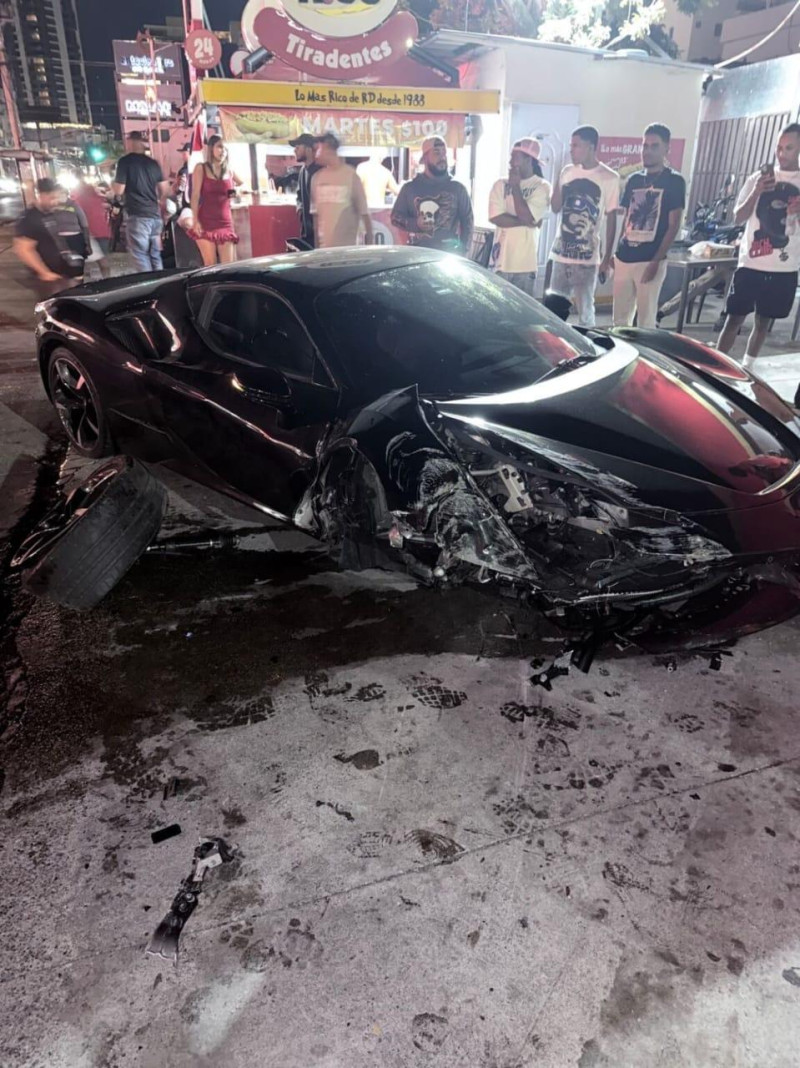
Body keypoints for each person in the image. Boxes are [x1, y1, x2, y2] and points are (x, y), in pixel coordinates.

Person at [717, 123, 800, 372]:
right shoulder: (758, 178)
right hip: (751, 262)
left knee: (764, 322)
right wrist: (756, 191)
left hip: (784, 265)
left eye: (789, 148)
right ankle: (715, 368)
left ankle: (748, 367)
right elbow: (737, 217)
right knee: (734, 318)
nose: (782, 154)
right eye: (779, 147)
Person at [612, 123, 686, 329]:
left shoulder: (674, 181)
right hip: (625, 255)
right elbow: (627, 217)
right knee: (619, 319)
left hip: (650, 258)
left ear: (666, 149)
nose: (647, 151)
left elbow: (674, 225)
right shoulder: (634, 180)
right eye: (645, 145)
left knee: (645, 320)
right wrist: (616, 251)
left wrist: (656, 261)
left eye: (654, 146)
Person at [548, 126, 619, 327]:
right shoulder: (567, 172)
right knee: (554, 309)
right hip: (561, 254)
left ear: (591, 147)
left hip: (586, 258)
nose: (571, 150)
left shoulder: (609, 177)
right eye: (571, 145)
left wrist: (606, 258)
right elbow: (555, 207)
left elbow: (611, 218)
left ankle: (587, 343)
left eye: (576, 145)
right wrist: (558, 177)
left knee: (585, 311)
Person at [488, 138, 551, 296]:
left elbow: (527, 216)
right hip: (500, 262)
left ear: (529, 160)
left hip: (525, 265)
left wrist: (516, 187)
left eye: (515, 157)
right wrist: (527, 222)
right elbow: (496, 217)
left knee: (523, 310)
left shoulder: (542, 186)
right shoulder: (500, 184)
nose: (510, 162)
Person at [391, 136, 473, 253]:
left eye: (444, 153)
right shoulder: (409, 188)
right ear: (425, 158)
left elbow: (468, 221)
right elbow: (395, 218)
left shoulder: (458, 189)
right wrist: (416, 223)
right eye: (437, 152)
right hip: (417, 255)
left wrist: (464, 251)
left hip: (448, 256)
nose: (442, 157)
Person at [13, 178, 90, 299]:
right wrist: (44, 273)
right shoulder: (29, 218)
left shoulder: (48, 212)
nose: (56, 202)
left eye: (57, 197)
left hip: (60, 274)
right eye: (52, 198)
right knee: (54, 306)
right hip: (48, 279)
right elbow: (24, 249)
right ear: (40, 195)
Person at [113, 130, 170, 273]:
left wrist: (112, 185)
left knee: (140, 255)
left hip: (138, 216)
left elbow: (119, 190)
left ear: (130, 142)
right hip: (155, 216)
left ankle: (149, 285)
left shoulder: (125, 162)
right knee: (155, 255)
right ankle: (162, 283)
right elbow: (165, 189)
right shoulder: (153, 163)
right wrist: (158, 201)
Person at [189, 135, 244, 267]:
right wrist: (195, 220)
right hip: (205, 221)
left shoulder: (229, 170)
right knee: (211, 266)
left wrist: (234, 192)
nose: (223, 151)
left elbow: (242, 185)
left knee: (228, 267)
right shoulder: (201, 168)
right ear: (211, 148)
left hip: (225, 222)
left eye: (225, 148)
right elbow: (195, 195)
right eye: (219, 147)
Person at [310, 133, 372, 249]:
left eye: (318, 149)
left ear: (327, 148)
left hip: (348, 250)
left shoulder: (350, 176)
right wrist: (317, 248)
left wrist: (369, 245)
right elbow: (316, 217)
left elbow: (364, 214)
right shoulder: (317, 178)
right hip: (325, 251)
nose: (315, 154)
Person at [71, 175, 112, 278]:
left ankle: (85, 281)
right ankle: (108, 281)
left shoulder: (75, 199)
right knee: (103, 260)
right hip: (101, 231)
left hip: (87, 232)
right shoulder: (97, 196)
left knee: (83, 261)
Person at [289, 133, 321, 250]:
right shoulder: (303, 170)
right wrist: (300, 209)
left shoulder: (321, 171)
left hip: (321, 233)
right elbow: (299, 196)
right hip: (306, 231)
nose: (295, 150)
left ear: (308, 149)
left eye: (298, 147)